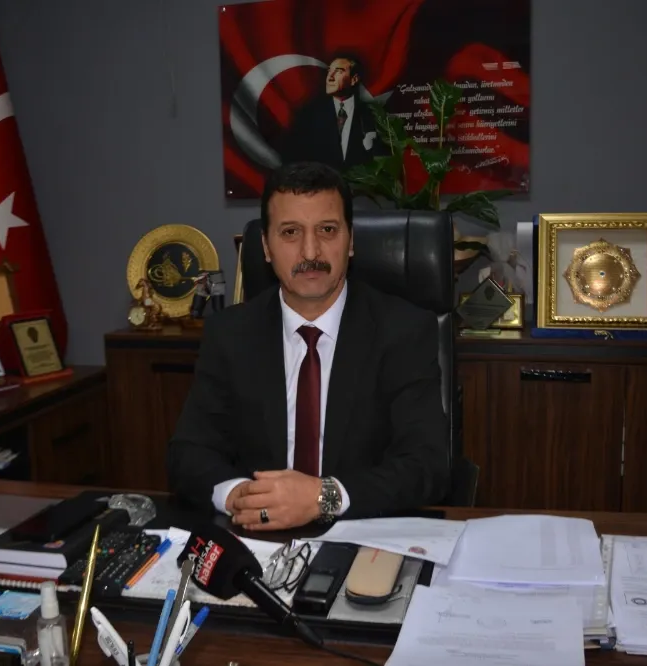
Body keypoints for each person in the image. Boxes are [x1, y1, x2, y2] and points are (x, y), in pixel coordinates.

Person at [167, 162, 449, 531]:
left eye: (327, 230)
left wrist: (322, 497)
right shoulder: (230, 333)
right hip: (259, 534)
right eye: (290, 232)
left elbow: (427, 464)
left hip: (362, 532)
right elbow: (188, 453)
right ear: (266, 247)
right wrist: (240, 495)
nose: (310, 251)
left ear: (350, 241)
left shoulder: (403, 331)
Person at [280, 54, 385, 172]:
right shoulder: (308, 114)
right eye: (329, 71)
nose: (330, 77)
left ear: (354, 79)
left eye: (338, 71)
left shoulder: (373, 115)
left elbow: (384, 161)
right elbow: (292, 157)